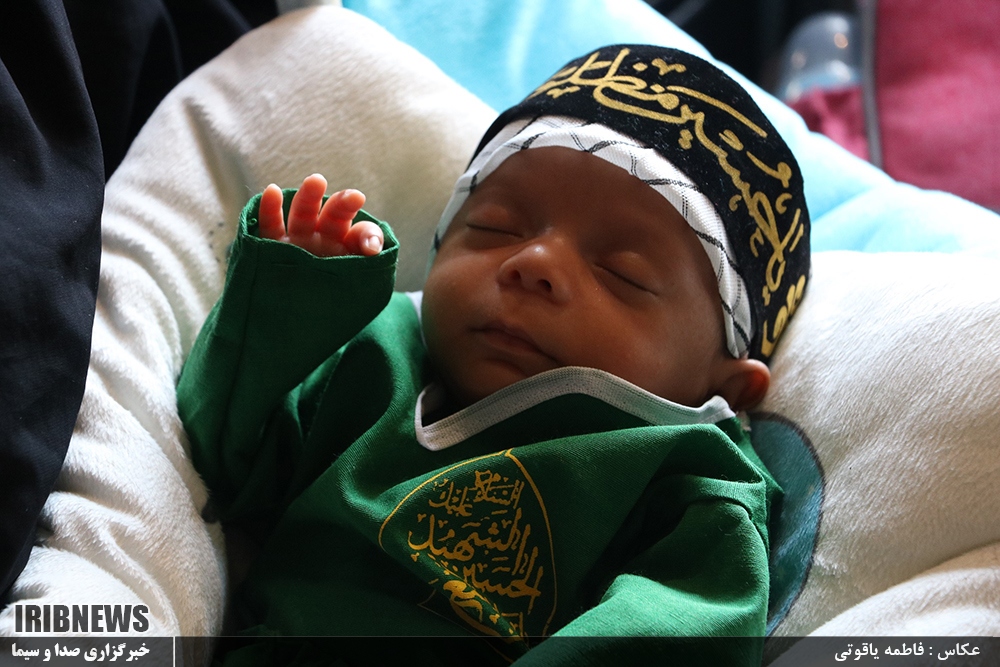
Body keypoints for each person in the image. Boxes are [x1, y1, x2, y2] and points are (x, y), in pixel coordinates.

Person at [177, 44, 810, 665]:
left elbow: (681, 635)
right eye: (496, 227)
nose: (535, 262)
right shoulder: (375, 350)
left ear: (725, 387)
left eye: (622, 272)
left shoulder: (690, 480)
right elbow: (224, 453)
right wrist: (290, 309)